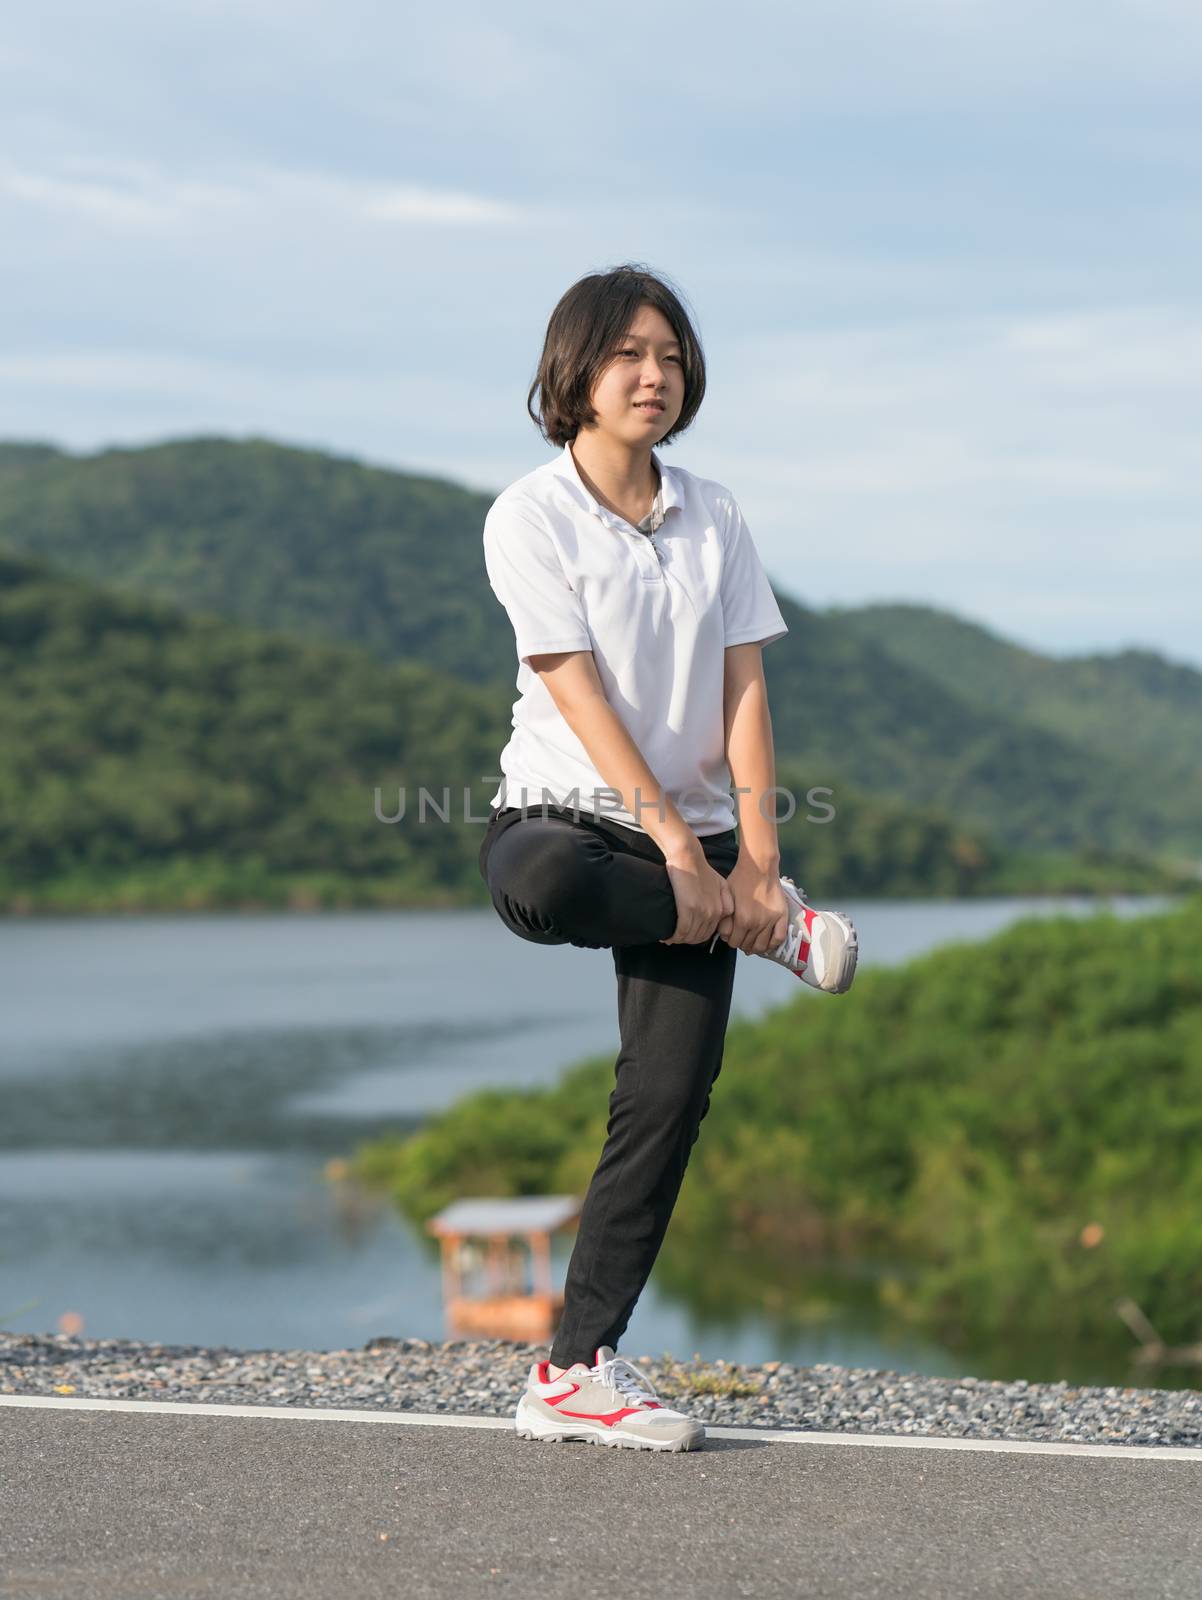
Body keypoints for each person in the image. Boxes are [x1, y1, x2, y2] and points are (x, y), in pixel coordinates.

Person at [477, 263, 858, 1453]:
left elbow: (743, 689)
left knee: (664, 1097)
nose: (653, 375)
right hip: (566, 819)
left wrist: (752, 861)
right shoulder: (527, 514)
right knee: (539, 888)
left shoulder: (716, 512)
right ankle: (766, 929)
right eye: (628, 354)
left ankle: (574, 1369)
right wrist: (677, 863)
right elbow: (577, 695)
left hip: (701, 845)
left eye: (671, 357)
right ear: (572, 372)